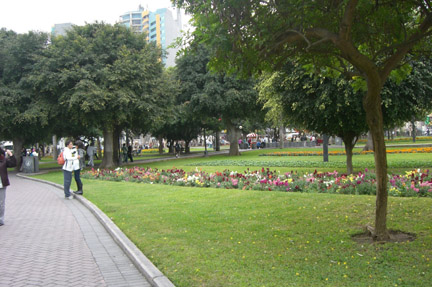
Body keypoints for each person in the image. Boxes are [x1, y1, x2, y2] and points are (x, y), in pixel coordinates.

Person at [0, 148, 17, 226]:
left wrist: (11, 155)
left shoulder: (3, 160)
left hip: (1, 184)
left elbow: (13, 163)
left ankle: (1, 219)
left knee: (1, 203)